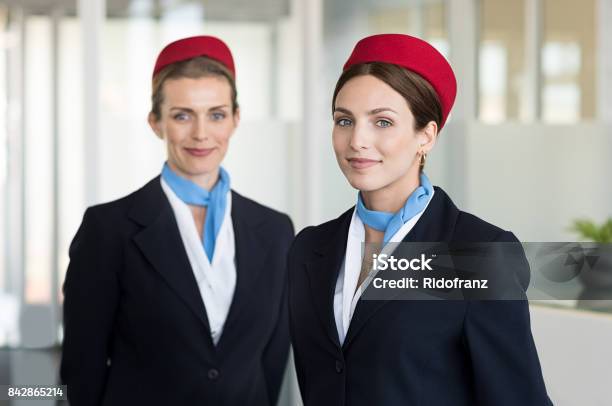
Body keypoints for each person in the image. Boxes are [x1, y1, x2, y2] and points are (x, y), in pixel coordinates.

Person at [288, 34, 551, 405]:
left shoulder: (479, 253)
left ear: (426, 136)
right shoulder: (309, 249)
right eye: (344, 120)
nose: (357, 140)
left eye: (382, 122)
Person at [60, 35, 294, 406]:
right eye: (182, 115)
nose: (201, 134)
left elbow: (271, 363)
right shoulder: (108, 230)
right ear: (156, 122)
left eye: (216, 114)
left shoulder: (276, 230)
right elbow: (81, 370)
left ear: (235, 119)